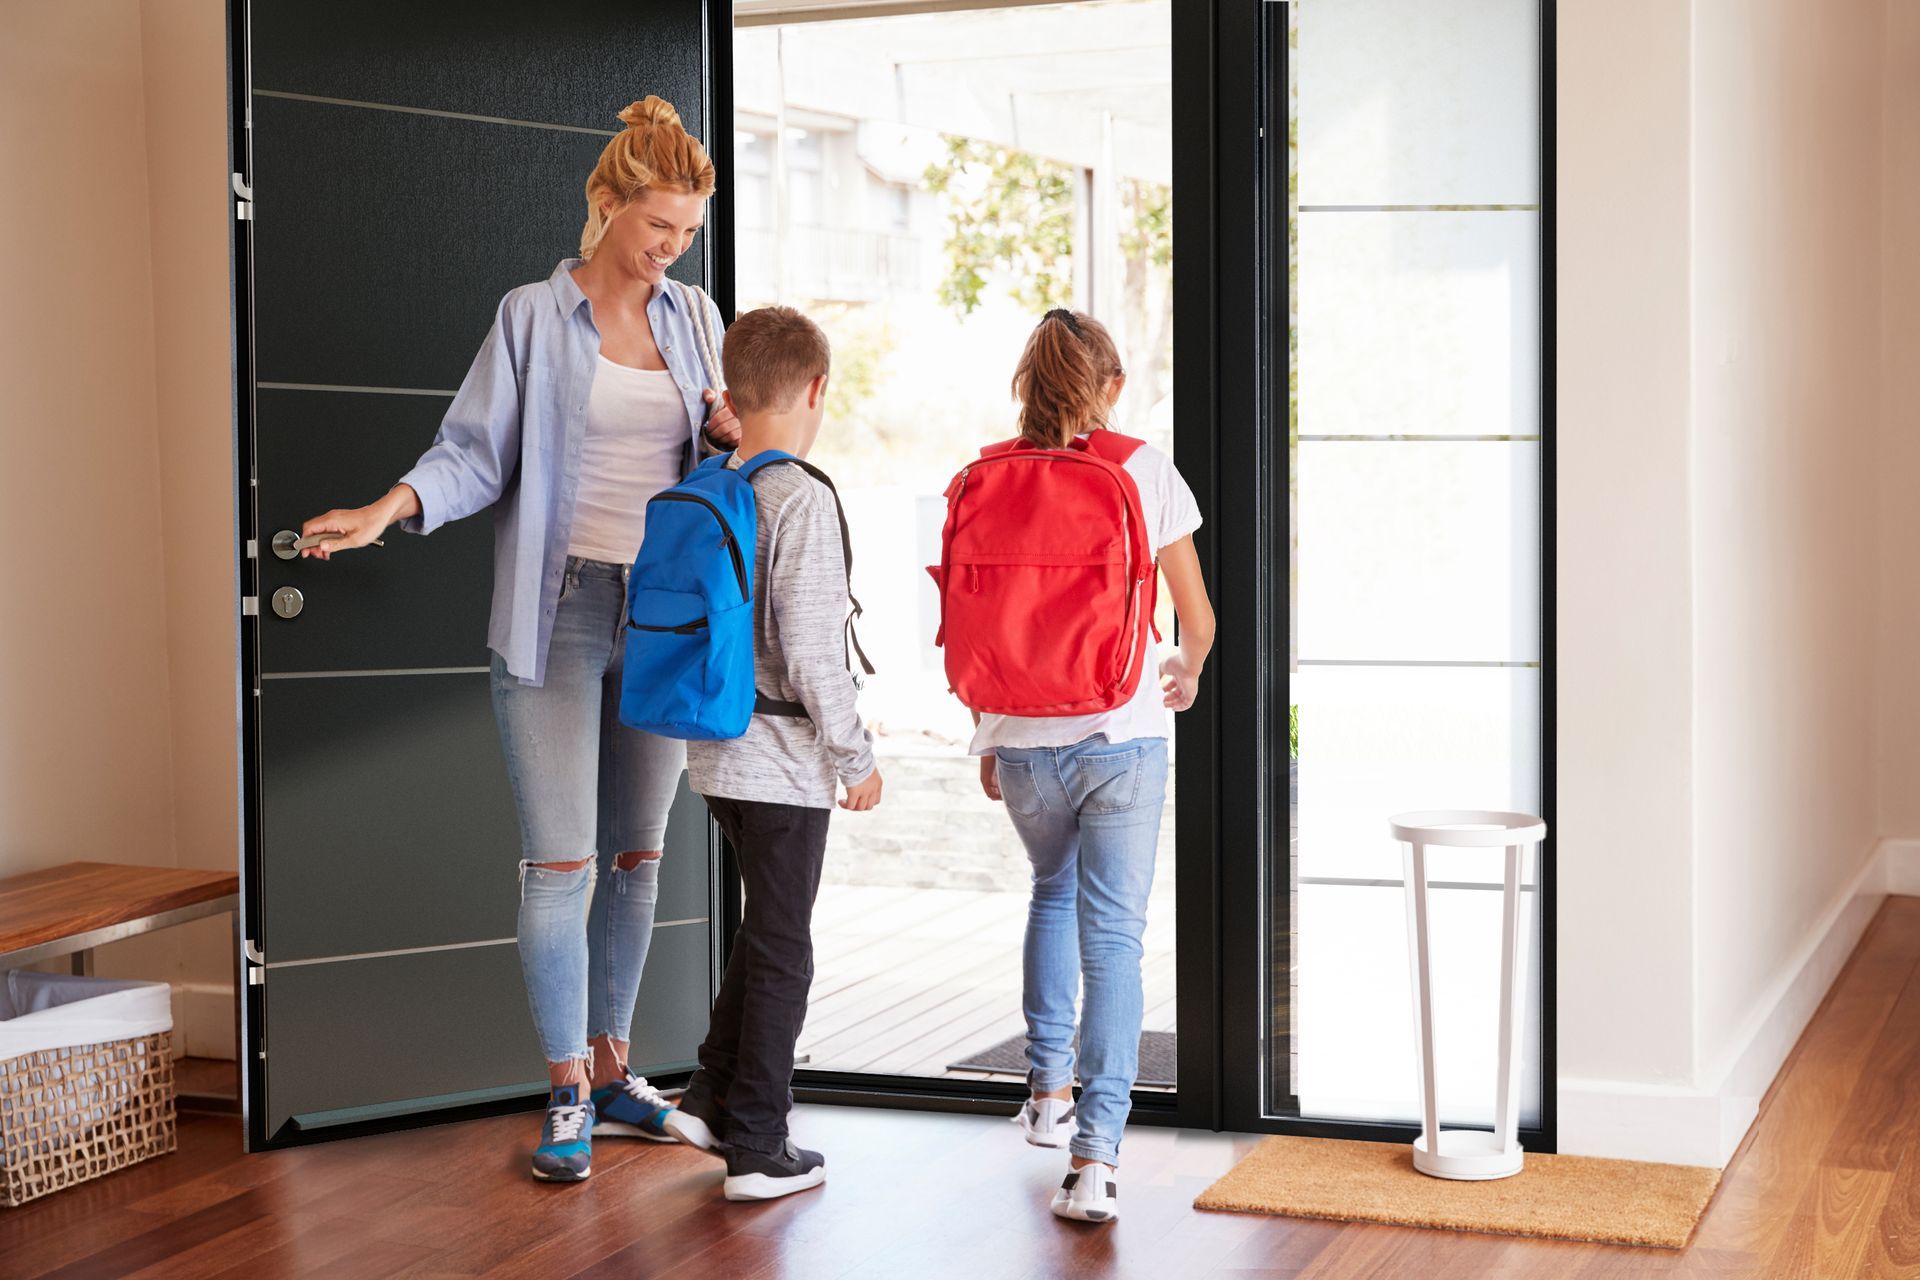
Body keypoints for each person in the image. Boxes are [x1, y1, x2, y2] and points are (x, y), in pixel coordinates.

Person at [296, 95, 737, 1183]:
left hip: (669, 614)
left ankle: (618, 1064)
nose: (670, 251)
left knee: (641, 856)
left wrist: (734, 437)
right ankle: (567, 1092)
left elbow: (727, 452)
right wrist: (382, 510)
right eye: (655, 229)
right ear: (605, 204)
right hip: (564, 608)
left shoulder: (695, 319)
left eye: (685, 233)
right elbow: (470, 453)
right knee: (561, 864)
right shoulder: (533, 319)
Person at [974, 309, 1214, 1223]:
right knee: (1112, 938)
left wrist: (993, 732)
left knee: (1050, 892)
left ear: (1028, 389)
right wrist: (1183, 671)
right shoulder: (1143, 466)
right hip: (1121, 733)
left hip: (1021, 732)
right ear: (1109, 387)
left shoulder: (991, 468)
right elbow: (1196, 615)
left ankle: (1043, 1091)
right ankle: (1096, 1160)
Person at [663, 305, 884, 1202]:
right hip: (785, 764)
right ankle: (758, 1145)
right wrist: (856, 758)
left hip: (714, 755)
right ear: (817, 390)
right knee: (788, 946)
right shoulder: (801, 496)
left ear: (737, 392)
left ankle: (711, 1096)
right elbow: (813, 652)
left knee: (763, 929)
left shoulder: (719, 479)